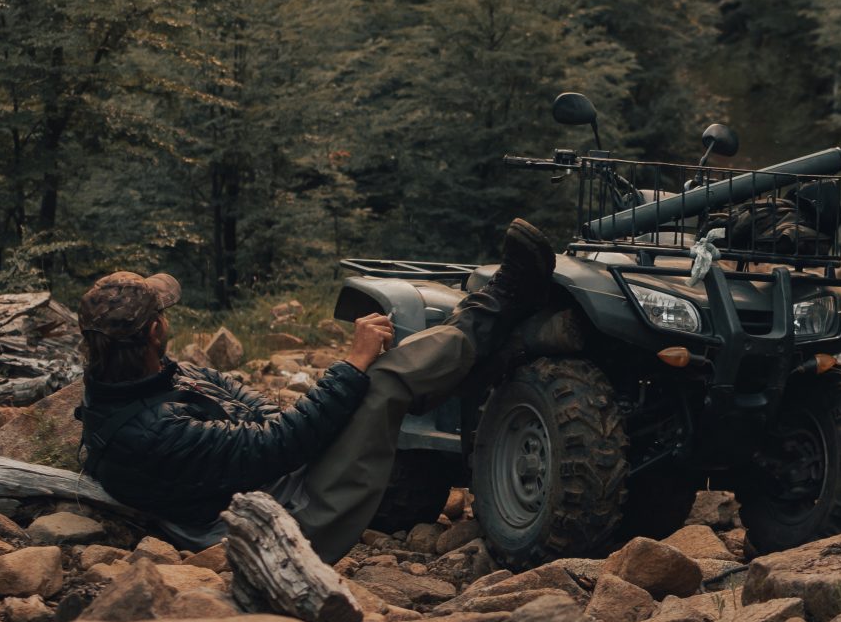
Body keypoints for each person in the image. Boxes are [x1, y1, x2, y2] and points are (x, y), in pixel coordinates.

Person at [74, 219, 556, 561]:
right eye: (164, 312)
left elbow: (253, 407)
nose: (168, 317)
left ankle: (481, 335)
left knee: (357, 380)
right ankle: (503, 304)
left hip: (280, 481)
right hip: (290, 523)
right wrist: (350, 365)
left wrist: (314, 408)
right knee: (380, 380)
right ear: (154, 331)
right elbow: (279, 445)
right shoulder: (150, 430)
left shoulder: (147, 378)